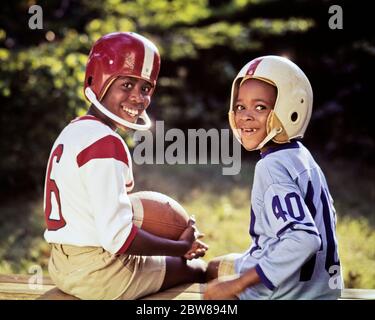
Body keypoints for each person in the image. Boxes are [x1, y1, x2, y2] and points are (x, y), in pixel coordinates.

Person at [43, 32, 208, 300]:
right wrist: (180, 248)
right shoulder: (106, 142)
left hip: (61, 265)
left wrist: (171, 240)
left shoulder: (72, 131)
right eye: (127, 84)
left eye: (145, 88)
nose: (138, 98)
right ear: (99, 80)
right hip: (98, 275)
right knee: (197, 269)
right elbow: (117, 239)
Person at [204, 55, 342, 300]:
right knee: (212, 267)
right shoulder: (302, 156)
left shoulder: (271, 166)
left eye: (260, 107)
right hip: (321, 290)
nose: (245, 116)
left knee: (213, 295)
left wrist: (237, 285)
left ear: (290, 109)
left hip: (287, 293)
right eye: (239, 106)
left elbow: (304, 239)